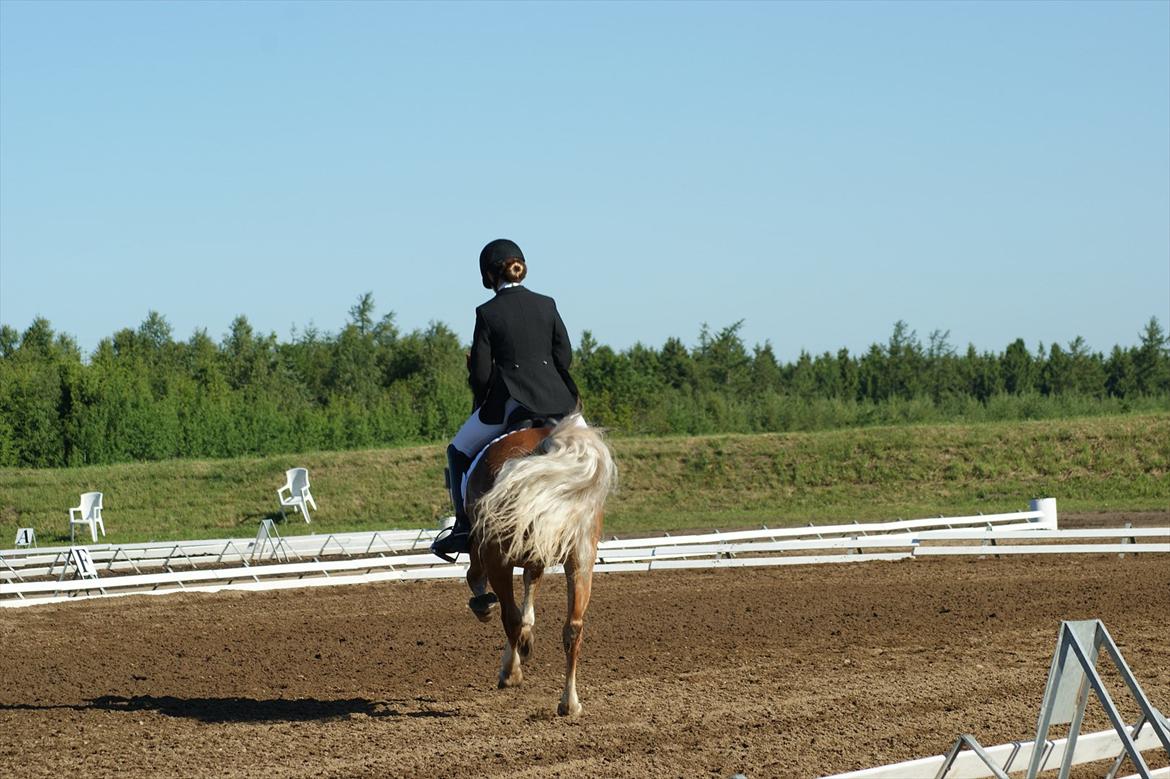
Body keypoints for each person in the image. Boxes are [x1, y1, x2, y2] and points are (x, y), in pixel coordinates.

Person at [430, 238, 580, 561]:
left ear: (489, 276)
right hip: (561, 403)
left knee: (456, 450)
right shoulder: (547, 304)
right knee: (588, 452)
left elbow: (482, 374)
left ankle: (461, 528)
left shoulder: (487, 312)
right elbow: (564, 357)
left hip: (514, 401)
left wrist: (485, 390)